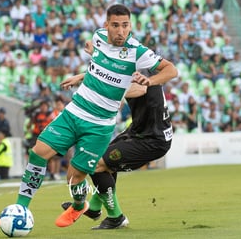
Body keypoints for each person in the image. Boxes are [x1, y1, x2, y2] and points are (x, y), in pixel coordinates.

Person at [0, 4, 177, 228]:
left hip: (99, 126)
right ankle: (21, 208)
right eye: (115, 25)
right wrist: (82, 75)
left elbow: (170, 70)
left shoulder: (137, 53)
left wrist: (151, 81)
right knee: (38, 152)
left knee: (74, 177)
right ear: (106, 25)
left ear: (130, 26)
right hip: (74, 111)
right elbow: (100, 63)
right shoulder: (98, 37)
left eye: (125, 26)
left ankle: (80, 205)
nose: (120, 31)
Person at [60, 45, 173, 229]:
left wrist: (112, 93)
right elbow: (106, 74)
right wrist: (82, 77)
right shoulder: (128, 69)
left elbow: (139, 89)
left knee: (97, 165)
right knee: (102, 160)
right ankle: (95, 208)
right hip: (138, 131)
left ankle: (116, 217)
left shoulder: (143, 73)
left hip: (152, 140)